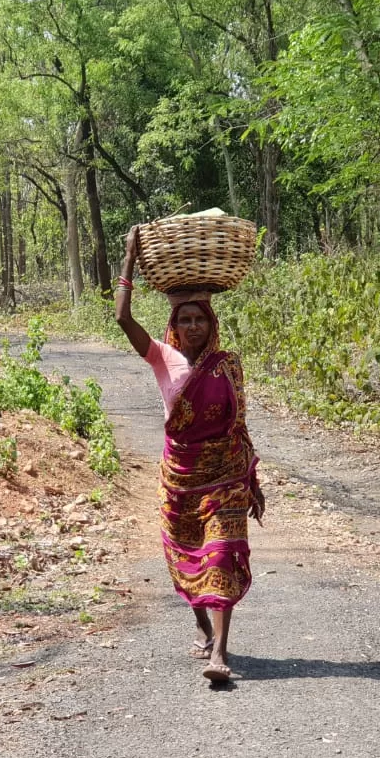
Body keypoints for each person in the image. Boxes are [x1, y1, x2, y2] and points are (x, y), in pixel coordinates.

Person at [114, 226, 265, 682]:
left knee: (220, 552)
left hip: (225, 476)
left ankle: (221, 652)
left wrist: (248, 477)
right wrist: (128, 257)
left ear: (211, 324)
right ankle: (201, 625)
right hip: (180, 475)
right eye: (185, 320)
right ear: (174, 326)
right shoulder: (162, 357)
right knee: (183, 555)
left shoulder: (228, 364)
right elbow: (122, 318)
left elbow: (237, 424)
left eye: (200, 319)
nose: (193, 326)